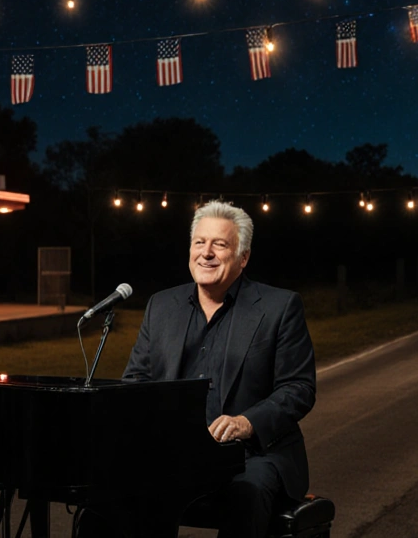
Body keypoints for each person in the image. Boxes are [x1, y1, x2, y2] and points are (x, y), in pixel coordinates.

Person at [121, 200, 317, 538]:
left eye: (220, 244)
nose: (206, 253)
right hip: (177, 452)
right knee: (109, 491)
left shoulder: (279, 307)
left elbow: (298, 388)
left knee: (245, 494)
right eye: (200, 242)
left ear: (243, 257)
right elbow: (136, 381)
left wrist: (246, 422)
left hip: (253, 456)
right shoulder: (161, 306)